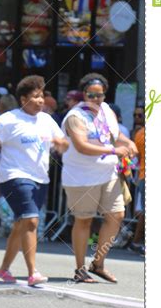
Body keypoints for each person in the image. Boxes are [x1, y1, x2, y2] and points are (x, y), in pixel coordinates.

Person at [0, 75, 68, 285]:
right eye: (35, 96)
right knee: (31, 220)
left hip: (40, 179)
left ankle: (4, 269)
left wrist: (61, 144)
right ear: (23, 99)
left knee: (20, 224)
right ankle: (33, 272)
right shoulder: (8, 120)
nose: (41, 100)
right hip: (13, 177)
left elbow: (63, 143)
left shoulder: (47, 120)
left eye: (42, 96)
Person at [61, 73, 137, 283]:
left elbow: (114, 136)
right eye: (91, 94)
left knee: (117, 215)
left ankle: (98, 263)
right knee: (83, 221)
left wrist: (127, 142)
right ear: (83, 93)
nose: (96, 98)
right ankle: (80, 269)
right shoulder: (75, 116)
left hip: (109, 173)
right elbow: (82, 146)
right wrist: (115, 150)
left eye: (100, 94)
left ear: (105, 94)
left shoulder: (107, 110)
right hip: (82, 177)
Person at [130, 125, 145, 255]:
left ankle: (136, 242)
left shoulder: (140, 133)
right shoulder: (142, 134)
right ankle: (136, 242)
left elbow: (138, 157)